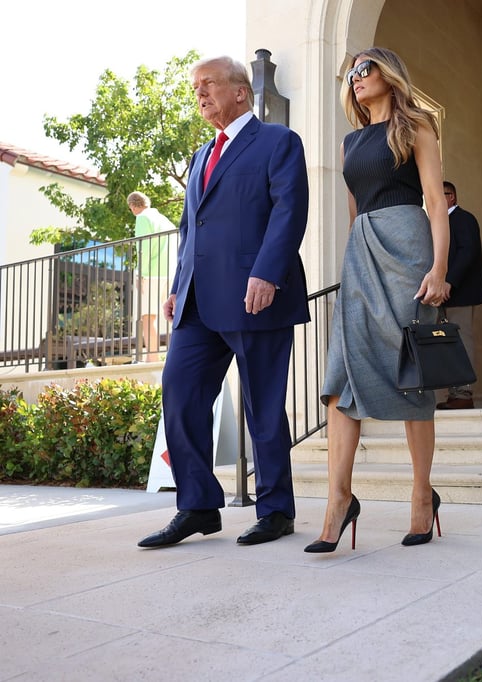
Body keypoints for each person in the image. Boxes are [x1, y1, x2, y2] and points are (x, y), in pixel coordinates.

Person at [138, 56, 310, 549]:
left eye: (208, 84)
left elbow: (289, 210)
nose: (200, 94)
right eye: (195, 88)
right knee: (181, 392)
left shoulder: (278, 142)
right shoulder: (198, 157)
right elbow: (192, 229)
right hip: (198, 302)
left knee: (264, 407)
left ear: (240, 91)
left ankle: (275, 509)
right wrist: (177, 284)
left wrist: (267, 272)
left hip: (258, 295)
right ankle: (197, 506)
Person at [306, 47, 451, 554]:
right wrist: (351, 265)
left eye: (365, 69)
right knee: (340, 376)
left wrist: (439, 268)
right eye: (351, 73)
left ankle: (420, 495)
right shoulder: (350, 143)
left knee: (412, 371)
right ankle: (339, 501)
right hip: (363, 253)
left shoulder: (417, 127)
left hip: (409, 250)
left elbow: (435, 201)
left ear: (389, 74)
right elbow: (354, 213)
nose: (356, 78)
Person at [436, 181, 482, 410]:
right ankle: (453, 393)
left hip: (461, 293)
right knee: (446, 345)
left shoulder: (464, 219)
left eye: (442, 193)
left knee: (462, 343)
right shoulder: (438, 223)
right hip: (441, 295)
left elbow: (468, 252)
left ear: (452, 197)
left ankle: (464, 393)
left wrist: (449, 282)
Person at [127, 191, 174, 362]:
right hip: (170, 272)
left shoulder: (142, 218)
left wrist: (140, 274)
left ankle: (152, 358)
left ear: (132, 206)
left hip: (152, 273)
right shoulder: (164, 220)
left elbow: (143, 249)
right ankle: (174, 354)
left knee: (148, 316)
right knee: (173, 314)